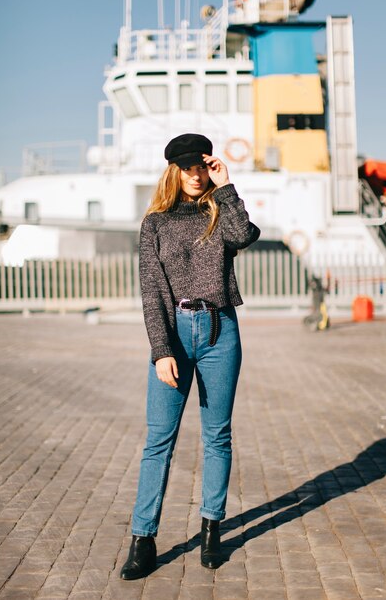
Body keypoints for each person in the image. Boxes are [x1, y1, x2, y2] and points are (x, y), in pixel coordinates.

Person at [120, 133, 260, 580]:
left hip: (221, 332)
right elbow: (152, 291)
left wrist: (227, 185)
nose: (196, 175)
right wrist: (161, 350)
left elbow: (245, 235)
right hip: (176, 333)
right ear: (174, 172)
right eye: (188, 168)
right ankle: (143, 539)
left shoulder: (219, 211)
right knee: (159, 439)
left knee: (217, 435)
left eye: (202, 166)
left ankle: (211, 530)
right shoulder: (155, 223)